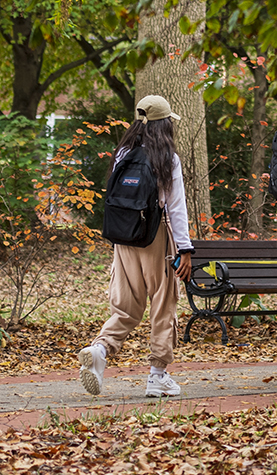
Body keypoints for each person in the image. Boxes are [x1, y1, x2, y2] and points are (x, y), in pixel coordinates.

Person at [78, 95, 194, 398]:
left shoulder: (124, 152)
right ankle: (158, 374)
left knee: (127, 305)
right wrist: (185, 249)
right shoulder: (167, 157)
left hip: (125, 237)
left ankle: (101, 350)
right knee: (163, 304)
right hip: (156, 237)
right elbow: (176, 207)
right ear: (165, 123)